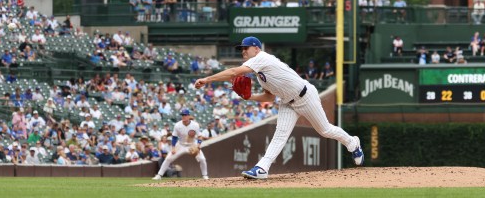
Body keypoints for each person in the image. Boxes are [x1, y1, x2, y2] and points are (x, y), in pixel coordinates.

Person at [194, 36, 363, 179]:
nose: (243, 51)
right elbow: (269, 97)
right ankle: (262, 168)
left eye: (246, 48)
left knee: (325, 130)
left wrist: (207, 80)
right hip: (287, 102)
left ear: (256, 48)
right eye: (241, 49)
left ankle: (352, 142)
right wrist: (249, 97)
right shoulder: (260, 75)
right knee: (280, 135)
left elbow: (233, 73)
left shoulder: (262, 58)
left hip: (305, 96)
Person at [152, 109, 208, 180]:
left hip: (192, 145)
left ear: (188, 116)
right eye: (182, 115)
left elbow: (199, 136)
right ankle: (159, 175)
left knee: (202, 159)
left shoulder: (195, 125)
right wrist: (173, 148)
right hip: (181, 145)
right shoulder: (178, 125)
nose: (183, 116)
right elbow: (174, 137)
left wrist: (199, 144)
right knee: (168, 158)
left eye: (185, 115)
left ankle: (205, 175)